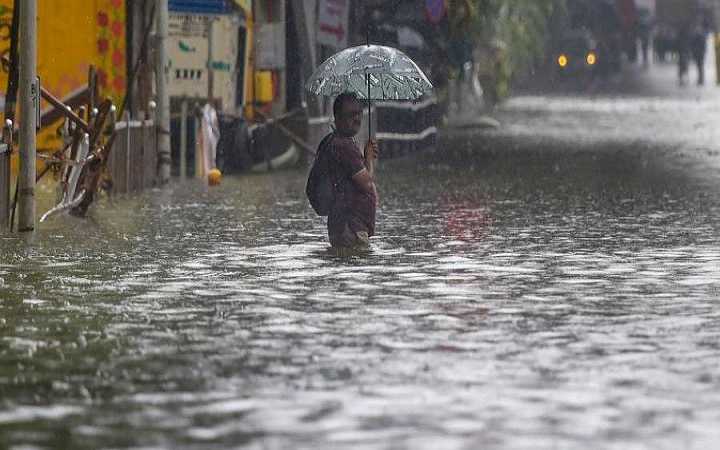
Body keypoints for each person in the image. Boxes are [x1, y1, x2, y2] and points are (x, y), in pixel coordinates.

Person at [324, 92, 379, 252]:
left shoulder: (337, 142)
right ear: (338, 118)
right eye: (351, 115)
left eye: (359, 114)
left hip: (343, 226)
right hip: (351, 229)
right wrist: (368, 158)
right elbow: (367, 183)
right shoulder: (344, 146)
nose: (357, 119)